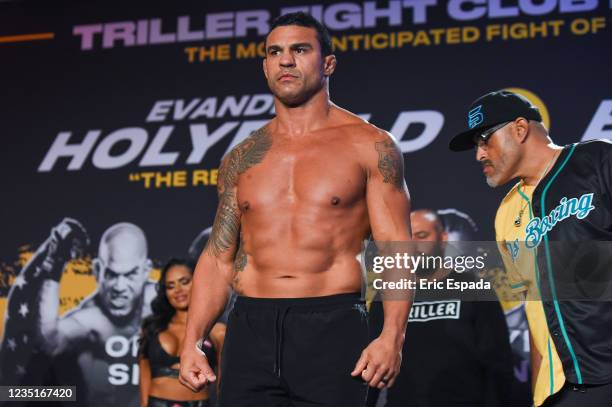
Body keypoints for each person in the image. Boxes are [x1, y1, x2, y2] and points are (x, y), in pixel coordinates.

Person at [179, 11, 413, 407]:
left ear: (328, 63)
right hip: (249, 328)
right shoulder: (241, 157)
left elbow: (395, 246)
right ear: (265, 65)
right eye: (275, 52)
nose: (285, 60)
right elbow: (218, 257)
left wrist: (392, 335)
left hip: (332, 324)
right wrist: (192, 341)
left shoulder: (369, 145)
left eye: (299, 49)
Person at [449, 90, 612, 406]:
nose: (479, 155)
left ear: (520, 129)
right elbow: (533, 312)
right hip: (560, 389)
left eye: (485, 140)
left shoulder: (596, 161)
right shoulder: (507, 214)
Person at [0, 218, 155, 407]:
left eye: (130, 274)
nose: (120, 287)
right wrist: (54, 267)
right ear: (97, 270)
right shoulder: (91, 319)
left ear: (145, 271)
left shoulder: (166, 299)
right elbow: (49, 340)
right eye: (111, 275)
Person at [368, 209, 513, 407]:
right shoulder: (386, 294)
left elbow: (498, 363)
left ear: (443, 238)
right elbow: (371, 368)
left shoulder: (475, 288)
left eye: (421, 235)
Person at [139, 259, 224, 407]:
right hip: (156, 403)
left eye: (184, 282)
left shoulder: (218, 331)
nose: (178, 290)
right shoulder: (152, 327)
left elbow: (224, 384)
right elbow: (145, 372)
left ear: (198, 282)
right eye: (170, 286)